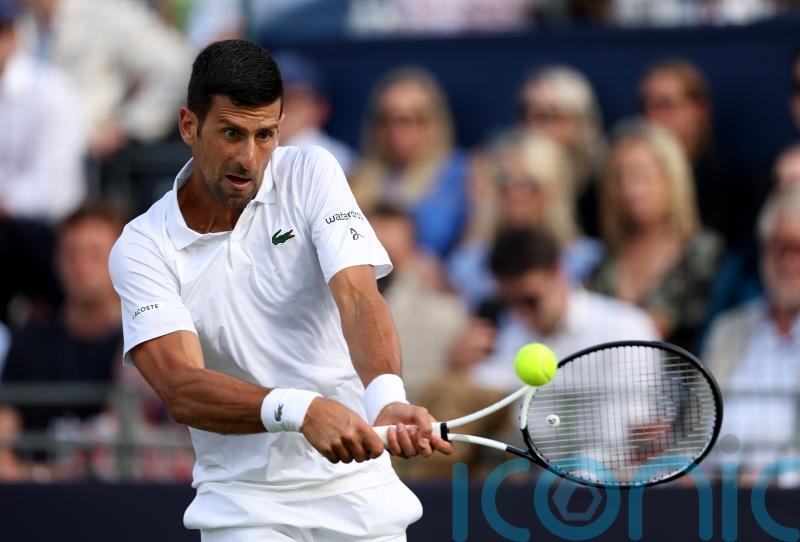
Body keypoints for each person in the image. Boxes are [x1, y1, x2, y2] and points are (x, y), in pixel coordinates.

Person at [108, 40, 451, 541]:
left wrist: (386, 397)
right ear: (189, 126)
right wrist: (301, 410)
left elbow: (357, 296)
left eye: (265, 135)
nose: (250, 157)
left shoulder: (312, 172)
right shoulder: (142, 246)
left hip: (360, 495)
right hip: (244, 507)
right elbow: (180, 387)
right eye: (231, 133)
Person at [412, 228, 656, 479]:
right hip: (536, 481)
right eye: (510, 302)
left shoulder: (626, 327)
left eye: (530, 300)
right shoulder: (511, 331)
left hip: (615, 484)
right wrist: (456, 369)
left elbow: (631, 429)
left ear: (559, 273)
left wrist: (578, 472)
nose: (520, 314)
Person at [1, 205, 124, 467]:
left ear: (123, 259)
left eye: (95, 254)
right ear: (56, 261)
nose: (81, 266)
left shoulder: (146, 343)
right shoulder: (28, 342)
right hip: (40, 498)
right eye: (71, 254)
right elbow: (3, 444)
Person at [587, 118, 724, 351]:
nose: (630, 189)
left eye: (641, 175)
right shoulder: (605, 257)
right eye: (619, 178)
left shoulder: (703, 251)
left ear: (672, 178)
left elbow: (650, 333)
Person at [703, 186, 800, 486]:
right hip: (715, 497)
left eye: (798, 249)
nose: (787, 262)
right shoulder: (728, 329)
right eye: (778, 248)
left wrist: (774, 480)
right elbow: (698, 425)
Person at [448, 131, 603, 309]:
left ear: (552, 191)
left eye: (528, 184)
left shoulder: (586, 260)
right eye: (505, 182)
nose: (515, 194)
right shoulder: (468, 264)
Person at [349, 67, 469, 258]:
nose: (396, 130)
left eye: (413, 119)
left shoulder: (464, 176)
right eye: (384, 119)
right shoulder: (354, 179)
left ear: (436, 123)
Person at [639, 59, 747, 246]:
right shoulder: (629, 177)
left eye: (666, 104)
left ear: (700, 111)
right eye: (648, 105)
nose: (655, 116)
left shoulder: (723, 181)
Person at [517, 66, 607, 235]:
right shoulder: (511, 182)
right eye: (527, 114)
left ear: (581, 123)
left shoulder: (600, 183)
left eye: (550, 116)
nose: (535, 128)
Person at [274, 50, 356, 173]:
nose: (279, 107)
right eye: (268, 97)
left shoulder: (335, 158)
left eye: (292, 98)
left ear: (321, 109)